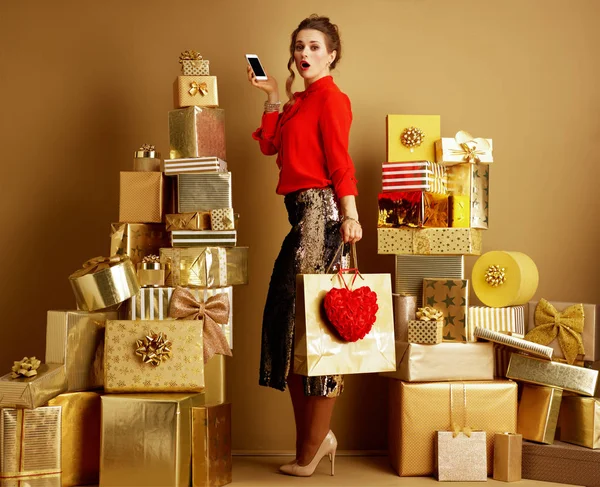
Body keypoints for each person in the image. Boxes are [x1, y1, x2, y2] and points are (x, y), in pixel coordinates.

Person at [248, 14, 362, 477]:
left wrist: (351, 216)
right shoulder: (297, 101)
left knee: (317, 331)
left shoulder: (333, 100)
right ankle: (311, 445)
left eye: (314, 47)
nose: (304, 54)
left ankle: (312, 445)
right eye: (299, 46)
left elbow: (341, 162)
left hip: (324, 216)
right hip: (300, 217)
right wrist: (273, 96)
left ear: (332, 53)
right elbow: (269, 147)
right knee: (290, 327)